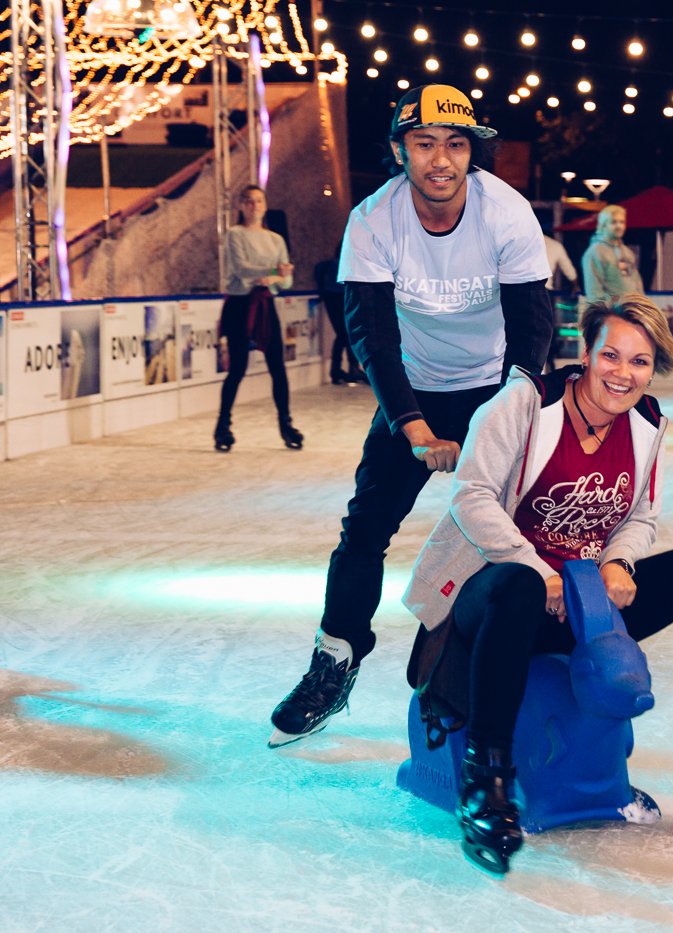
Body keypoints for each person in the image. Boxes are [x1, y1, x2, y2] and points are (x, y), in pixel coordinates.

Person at [402, 295, 673, 873]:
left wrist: (618, 563)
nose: (622, 374)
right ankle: (488, 778)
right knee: (520, 588)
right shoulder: (526, 404)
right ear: (585, 353)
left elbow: (641, 516)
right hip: (494, 598)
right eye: (611, 355)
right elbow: (472, 497)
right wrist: (536, 567)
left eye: (640, 362)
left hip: (582, 600)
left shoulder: (648, 423)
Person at [268, 85, 553, 747]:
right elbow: (370, 333)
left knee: (513, 538)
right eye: (424, 143)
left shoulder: (506, 213)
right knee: (365, 528)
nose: (441, 159)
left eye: (456, 144)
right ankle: (334, 662)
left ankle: (506, 676)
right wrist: (410, 423)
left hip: (496, 387)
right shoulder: (373, 219)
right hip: (415, 388)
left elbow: (533, 325)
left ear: (472, 152)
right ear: (400, 151)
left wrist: (511, 407)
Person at [213, 184, 300, 451]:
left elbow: (287, 281)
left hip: (265, 304)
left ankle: (286, 424)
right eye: (249, 201)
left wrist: (275, 277)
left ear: (264, 204)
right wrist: (276, 270)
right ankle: (223, 426)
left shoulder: (275, 239)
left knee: (277, 366)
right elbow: (241, 268)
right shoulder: (234, 235)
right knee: (238, 367)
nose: (254, 205)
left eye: (259, 200)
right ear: (241, 205)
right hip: (240, 304)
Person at [314, 244, 365, 385]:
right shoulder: (345, 265)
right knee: (347, 335)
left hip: (332, 298)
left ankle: (338, 370)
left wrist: (321, 291)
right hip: (341, 298)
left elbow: (319, 270)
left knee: (343, 335)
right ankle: (350, 369)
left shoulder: (330, 265)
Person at [581, 205, 645, 301]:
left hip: (631, 310)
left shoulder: (627, 252)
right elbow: (594, 292)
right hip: (611, 313)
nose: (619, 226)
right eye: (613, 222)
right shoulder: (594, 252)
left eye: (622, 222)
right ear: (603, 225)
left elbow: (637, 282)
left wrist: (642, 305)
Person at [543, 233, 579, 372]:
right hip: (545, 292)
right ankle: (549, 363)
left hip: (521, 289)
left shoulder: (522, 239)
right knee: (548, 331)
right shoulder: (554, 245)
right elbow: (569, 269)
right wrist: (575, 285)